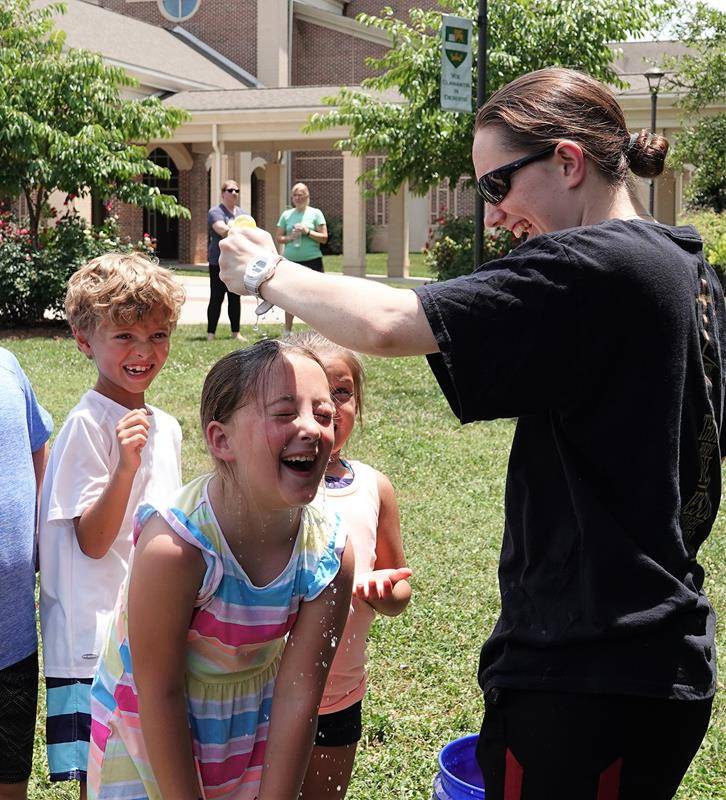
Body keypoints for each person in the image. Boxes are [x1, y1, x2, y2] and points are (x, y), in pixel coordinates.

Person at [219, 67, 725, 800]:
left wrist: (266, 271)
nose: (493, 216)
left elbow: (393, 324)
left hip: (587, 676)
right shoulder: (687, 266)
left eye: (497, 187)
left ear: (567, 161)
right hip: (656, 656)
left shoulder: (595, 264)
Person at [87, 340, 354, 800]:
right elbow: (160, 692)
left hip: (252, 724)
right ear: (221, 439)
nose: (311, 429)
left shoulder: (329, 552)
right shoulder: (176, 549)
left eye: (324, 414)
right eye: (284, 412)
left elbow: (299, 694)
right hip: (153, 726)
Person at [38, 253, 185, 799]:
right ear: (84, 341)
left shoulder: (164, 427)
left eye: (158, 334)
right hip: (93, 638)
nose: (144, 350)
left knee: (142, 770)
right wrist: (124, 468)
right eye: (124, 335)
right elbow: (92, 540)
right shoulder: (87, 425)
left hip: (146, 627)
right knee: (100, 776)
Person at [291, 333, 412, 799]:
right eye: (314, 395)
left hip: (340, 692)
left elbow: (400, 586)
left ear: (357, 404)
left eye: (341, 393)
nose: (330, 407)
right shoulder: (272, 482)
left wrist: (387, 592)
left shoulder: (374, 487)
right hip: (264, 690)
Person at [0, 349, 53, 800]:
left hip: (12, 637)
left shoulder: (6, 366)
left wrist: (38, 536)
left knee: (10, 771)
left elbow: (38, 447)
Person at [276, 182, 328, 335]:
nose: (298, 198)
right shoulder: (286, 215)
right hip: (291, 260)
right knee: (289, 296)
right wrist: (290, 237)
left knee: (317, 296)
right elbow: (279, 238)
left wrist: (307, 231)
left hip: (313, 259)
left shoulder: (316, 213)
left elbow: (324, 238)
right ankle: (287, 330)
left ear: (307, 197)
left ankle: (318, 330)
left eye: (301, 195)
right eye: (295, 195)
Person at [207, 179, 249, 341]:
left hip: (236, 262)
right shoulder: (216, 212)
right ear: (223, 193)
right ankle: (211, 333)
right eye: (230, 190)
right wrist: (239, 230)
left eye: (237, 191)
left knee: (235, 297)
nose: (234, 193)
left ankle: (236, 333)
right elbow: (221, 229)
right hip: (218, 262)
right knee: (216, 297)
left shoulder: (243, 214)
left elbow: (251, 232)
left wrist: (235, 229)